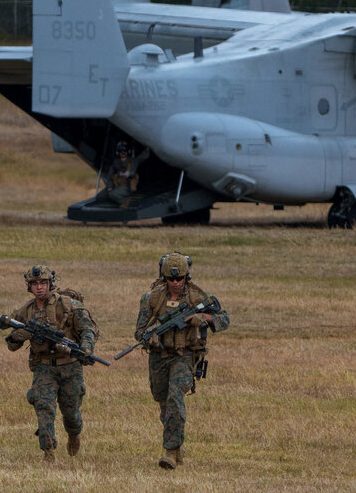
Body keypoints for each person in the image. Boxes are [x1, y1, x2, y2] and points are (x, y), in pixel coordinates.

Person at [133, 252, 228, 469]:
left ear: (187, 276)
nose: (176, 283)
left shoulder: (198, 297)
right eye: (171, 279)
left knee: (176, 397)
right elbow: (139, 333)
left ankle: (170, 452)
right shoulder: (151, 298)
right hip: (159, 357)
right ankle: (177, 447)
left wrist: (203, 318)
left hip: (185, 356)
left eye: (180, 278)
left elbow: (224, 319)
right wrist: (151, 338)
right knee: (165, 403)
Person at [5, 266, 98, 462]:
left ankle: (74, 434)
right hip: (44, 367)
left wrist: (87, 349)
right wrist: (20, 335)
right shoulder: (25, 312)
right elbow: (11, 345)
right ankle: (48, 452)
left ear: (50, 284)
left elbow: (88, 329)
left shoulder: (68, 305)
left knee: (71, 413)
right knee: (43, 407)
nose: (39, 287)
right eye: (35, 284)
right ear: (29, 287)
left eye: (43, 283)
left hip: (70, 366)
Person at [96, 141, 149, 207]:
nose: (123, 153)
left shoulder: (133, 161)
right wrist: (109, 187)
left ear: (128, 151)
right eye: (121, 151)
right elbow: (109, 177)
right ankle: (115, 201)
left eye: (125, 151)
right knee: (99, 197)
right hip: (116, 184)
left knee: (112, 195)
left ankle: (125, 201)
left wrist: (148, 149)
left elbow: (142, 157)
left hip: (127, 186)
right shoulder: (116, 163)